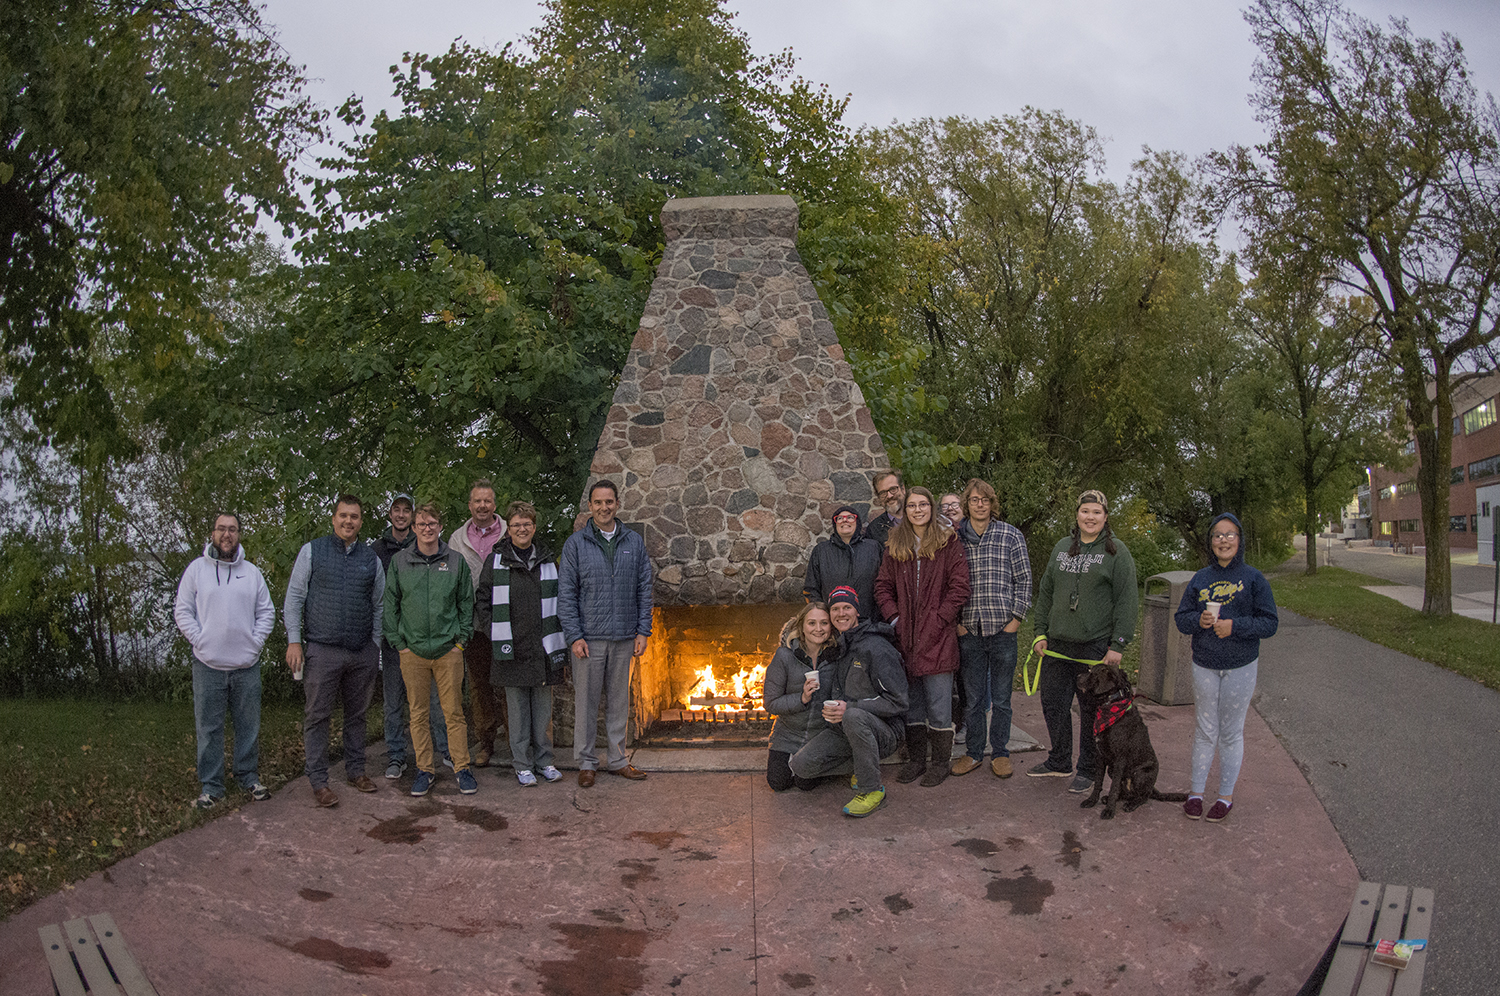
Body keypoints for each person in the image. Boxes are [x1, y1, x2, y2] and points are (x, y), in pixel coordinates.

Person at [1029, 489, 1138, 794]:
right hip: (1057, 645)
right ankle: (1059, 759)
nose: (1090, 517)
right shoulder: (1062, 547)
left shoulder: (1117, 553)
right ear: (1077, 515)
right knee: (1052, 703)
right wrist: (1040, 631)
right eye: (1085, 511)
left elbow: (1127, 601)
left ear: (1105, 517)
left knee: (1090, 710)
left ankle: (1088, 768)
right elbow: (1046, 592)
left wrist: (1117, 644)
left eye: (1097, 512)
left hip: (1094, 647)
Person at [1173, 513, 1279, 824]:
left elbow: (1270, 623)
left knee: (1231, 732)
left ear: (1239, 540)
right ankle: (1195, 794)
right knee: (1206, 730)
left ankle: (1225, 796)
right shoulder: (1200, 579)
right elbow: (1182, 618)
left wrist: (1235, 626)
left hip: (1240, 665)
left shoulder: (1254, 578)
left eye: (1230, 534)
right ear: (1210, 542)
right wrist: (1199, 621)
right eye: (1218, 535)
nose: (1223, 540)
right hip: (1204, 663)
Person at [285, 494, 385, 808]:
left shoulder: (371, 559)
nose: (348, 521)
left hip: (361, 652)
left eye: (354, 517)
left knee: (357, 716)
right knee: (317, 716)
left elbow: (379, 605)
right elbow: (294, 598)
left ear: (360, 521)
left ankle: (356, 770)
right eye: (343, 515)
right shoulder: (312, 551)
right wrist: (294, 640)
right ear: (333, 518)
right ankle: (318, 780)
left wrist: (376, 646)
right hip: (322, 650)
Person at [174, 513, 276, 809]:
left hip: (246, 667)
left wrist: (254, 643)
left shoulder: (252, 573)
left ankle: (247, 776)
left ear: (239, 534)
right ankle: (212, 786)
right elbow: (183, 611)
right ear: (213, 533)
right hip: (208, 666)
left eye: (232, 529)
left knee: (248, 726)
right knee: (209, 728)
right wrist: (200, 639)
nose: (227, 534)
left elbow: (266, 612)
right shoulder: (196, 570)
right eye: (222, 529)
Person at [875, 487, 971, 788]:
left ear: (932, 508)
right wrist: (895, 618)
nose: (917, 510)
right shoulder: (896, 544)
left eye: (923, 505)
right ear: (905, 511)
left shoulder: (947, 542)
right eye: (912, 506)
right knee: (912, 706)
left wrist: (940, 618)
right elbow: (882, 587)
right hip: (906, 639)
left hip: (938, 638)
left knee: (939, 706)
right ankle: (917, 760)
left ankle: (940, 762)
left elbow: (959, 588)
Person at [558, 480, 653, 786]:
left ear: (617, 504)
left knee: (618, 703)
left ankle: (617, 759)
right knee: (586, 704)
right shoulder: (575, 545)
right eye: (598, 503)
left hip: (625, 636)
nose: (603, 508)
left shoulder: (633, 542)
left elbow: (644, 589)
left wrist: (643, 631)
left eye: (609, 502)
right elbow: (566, 594)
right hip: (589, 639)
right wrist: (574, 635)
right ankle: (587, 762)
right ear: (590, 506)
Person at [383, 503, 478, 797]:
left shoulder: (455, 562)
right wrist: (400, 644)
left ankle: (462, 768)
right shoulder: (400, 562)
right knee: (419, 714)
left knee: (453, 713)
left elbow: (466, 604)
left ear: (440, 527)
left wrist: (461, 641)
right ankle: (425, 770)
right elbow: (390, 605)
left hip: (448, 650)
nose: (427, 529)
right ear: (413, 528)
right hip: (413, 652)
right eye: (421, 524)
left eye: (432, 523)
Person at [788, 588, 909, 817]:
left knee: (853, 716)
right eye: (835, 608)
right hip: (844, 729)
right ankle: (861, 764)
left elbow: (899, 702)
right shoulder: (840, 646)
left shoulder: (877, 648)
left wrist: (851, 708)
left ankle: (871, 789)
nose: (840, 613)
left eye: (847, 607)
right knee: (801, 767)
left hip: (884, 732)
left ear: (857, 611)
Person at [475, 501, 568, 787]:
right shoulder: (496, 561)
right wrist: (494, 631)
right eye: (516, 525)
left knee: (542, 713)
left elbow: (561, 600)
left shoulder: (547, 560)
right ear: (508, 529)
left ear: (534, 527)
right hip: (511, 647)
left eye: (526, 524)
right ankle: (522, 764)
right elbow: (483, 600)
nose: (522, 529)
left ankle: (544, 761)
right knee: (516, 712)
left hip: (542, 647)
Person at [952, 478, 1032, 779]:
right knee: (972, 700)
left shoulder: (1010, 535)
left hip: (1002, 630)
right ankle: (973, 752)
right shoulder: (955, 539)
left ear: (992, 503)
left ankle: (1000, 753)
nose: (980, 504)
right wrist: (958, 624)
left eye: (985, 499)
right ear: (967, 504)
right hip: (969, 630)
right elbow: (948, 583)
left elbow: (1024, 580)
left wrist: (1016, 621)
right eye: (974, 500)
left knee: (1001, 699)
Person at [371, 494, 450, 780]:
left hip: (426, 638)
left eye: (407, 511)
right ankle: (396, 755)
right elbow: (380, 596)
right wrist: (389, 634)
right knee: (393, 700)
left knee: (433, 701)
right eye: (397, 510)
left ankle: (443, 751)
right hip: (395, 641)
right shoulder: (377, 550)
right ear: (390, 514)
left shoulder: (427, 548)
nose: (402, 515)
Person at [449, 479, 508, 768]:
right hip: (473, 623)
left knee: (510, 682)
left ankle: (516, 741)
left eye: (487, 500)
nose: (482, 505)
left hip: (506, 619)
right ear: (470, 505)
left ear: (494, 505)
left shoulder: (510, 533)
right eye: (477, 501)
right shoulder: (457, 540)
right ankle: (485, 742)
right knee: (479, 685)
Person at [763, 601, 835, 791]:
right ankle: (790, 760)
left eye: (824, 623)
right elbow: (770, 703)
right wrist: (801, 698)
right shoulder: (784, 656)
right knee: (778, 783)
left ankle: (811, 765)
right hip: (787, 733)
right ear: (802, 626)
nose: (818, 629)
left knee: (806, 784)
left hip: (819, 736)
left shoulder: (836, 657)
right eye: (812, 623)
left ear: (831, 626)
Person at [802, 506, 883, 620]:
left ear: (857, 522)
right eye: (839, 518)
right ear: (835, 524)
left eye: (850, 517)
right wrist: (823, 615)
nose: (845, 520)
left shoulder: (873, 548)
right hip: (834, 621)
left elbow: (884, 584)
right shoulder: (821, 551)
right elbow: (811, 588)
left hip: (869, 621)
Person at [865, 470, 905, 546]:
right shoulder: (874, 529)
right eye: (883, 493)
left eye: (893, 489)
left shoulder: (920, 517)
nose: (889, 496)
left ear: (903, 489)